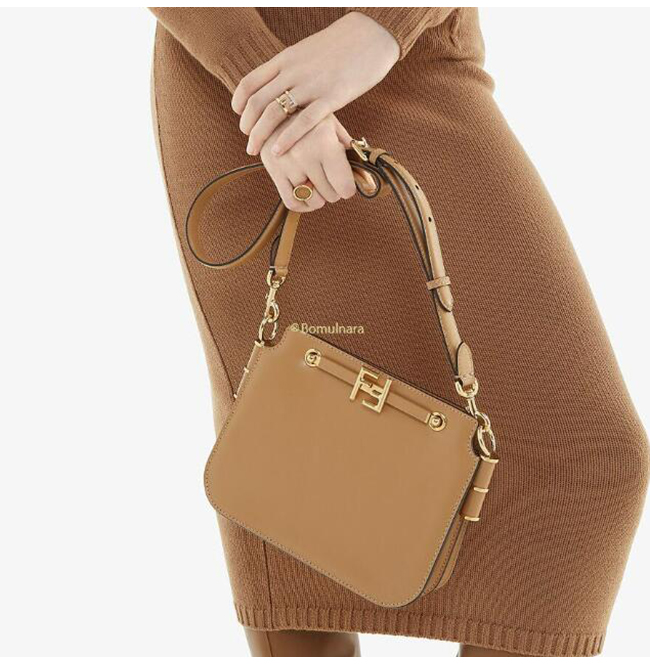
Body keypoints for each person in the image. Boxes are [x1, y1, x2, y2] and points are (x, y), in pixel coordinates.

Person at [150, 7, 648, 657]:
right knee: (293, 458)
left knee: (587, 462)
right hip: (247, 77)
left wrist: (384, 27)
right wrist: (266, 88)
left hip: (420, 57)